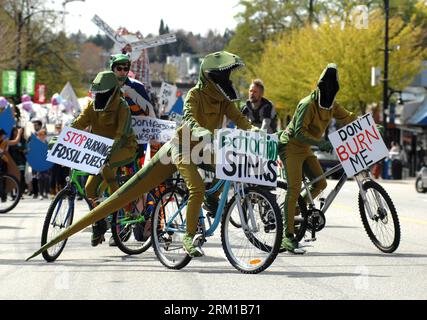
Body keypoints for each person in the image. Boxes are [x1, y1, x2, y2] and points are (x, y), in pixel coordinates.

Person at [30, 51, 259, 260]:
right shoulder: (194, 95)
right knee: (195, 188)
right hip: (183, 146)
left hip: (182, 148)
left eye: (124, 68)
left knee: (226, 169)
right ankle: (188, 237)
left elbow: (240, 119)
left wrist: (255, 131)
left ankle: (210, 200)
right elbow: (188, 117)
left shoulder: (222, 100)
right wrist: (62, 138)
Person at [276, 63, 382, 254]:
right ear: (319, 87)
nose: (329, 92)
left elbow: (349, 118)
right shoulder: (307, 104)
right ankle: (287, 237)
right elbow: (298, 132)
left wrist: (372, 127)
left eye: (333, 89)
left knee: (321, 183)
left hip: (307, 147)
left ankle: (296, 210)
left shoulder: (332, 106)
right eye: (326, 88)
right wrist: (321, 144)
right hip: (291, 146)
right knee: (294, 187)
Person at [68, 70, 137, 246]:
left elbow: (121, 135)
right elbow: (78, 123)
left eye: (103, 94)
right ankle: (100, 221)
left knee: (106, 167)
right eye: (97, 93)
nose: (99, 97)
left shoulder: (123, 107)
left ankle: (122, 203)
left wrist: (108, 151)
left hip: (124, 148)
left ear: (113, 91)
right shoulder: (92, 106)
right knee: (89, 189)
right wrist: (63, 136)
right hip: (101, 151)